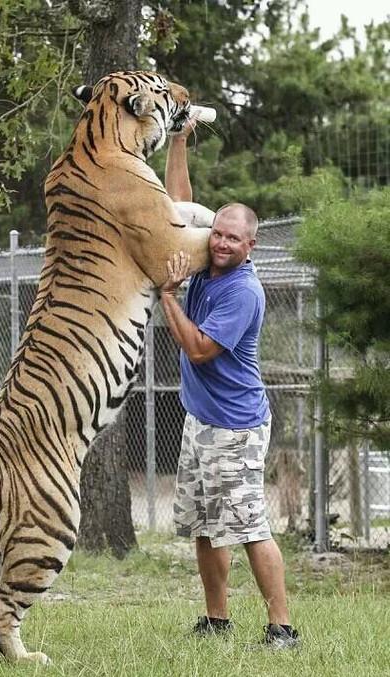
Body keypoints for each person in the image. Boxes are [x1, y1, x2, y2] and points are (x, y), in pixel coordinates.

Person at [160, 119, 299, 650]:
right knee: (203, 524)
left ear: (251, 245)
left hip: (236, 428)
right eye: (216, 233)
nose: (220, 243)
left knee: (247, 528)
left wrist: (168, 295)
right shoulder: (205, 260)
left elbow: (197, 349)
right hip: (201, 422)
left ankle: (282, 627)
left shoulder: (242, 291)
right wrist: (178, 138)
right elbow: (178, 206)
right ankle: (216, 618)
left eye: (232, 238)